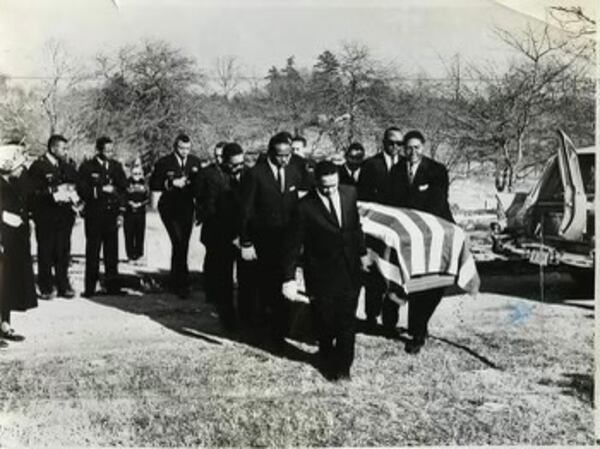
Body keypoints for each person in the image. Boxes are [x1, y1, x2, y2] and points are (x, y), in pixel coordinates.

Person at [282, 161, 369, 380]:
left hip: (350, 269)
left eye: (333, 185)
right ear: (316, 183)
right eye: (324, 187)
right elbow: (293, 245)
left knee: (347, 321)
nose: (330, 191)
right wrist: (289, 278)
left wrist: (362, 253)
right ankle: (326, 355)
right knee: (325, 320)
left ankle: (343, 368)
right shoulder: (304, 207)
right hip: (321, 274)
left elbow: (355, 226)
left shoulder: (349, 193)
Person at [389, 129, 454, 354]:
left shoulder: (437, 170)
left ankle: (420, 325)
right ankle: (417, 333)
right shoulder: (397, 170)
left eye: (416, 147)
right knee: (415, 283)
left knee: (437, 285)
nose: (412, 152)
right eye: (408, 148)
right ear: (403, 149)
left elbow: (437, 203)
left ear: (423, 147)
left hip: (435, 234)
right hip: (409, 236)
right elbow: (394, 201)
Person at [239, 131, 303, 349]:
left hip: (286, 243)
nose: (284, 159)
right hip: (261, 241)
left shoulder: (294, 172)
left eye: (288, 155)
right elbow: (245, 211)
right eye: (279, 155)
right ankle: (257, 334)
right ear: (270, 153)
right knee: (261, 289)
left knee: (284, 287)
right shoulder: (255, 174)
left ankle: (279, 335)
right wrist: (246, 242)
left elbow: (297, 208)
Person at [357, 127, 404, 332]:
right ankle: (370, 317)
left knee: (395, 273)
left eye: (399, 144)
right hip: (375, 229)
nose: (395, 147)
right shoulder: (370, 165)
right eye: (391, 143)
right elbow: (363, 198)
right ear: (384, 142)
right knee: (375, 274)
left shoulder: (405, 165)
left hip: (396, 232)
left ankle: (390, 320)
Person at [196, 143, 247, 330]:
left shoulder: (249, 175)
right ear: (224, 162)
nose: (237, 168)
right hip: (221, 235)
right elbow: (210, 211)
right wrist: (230, 235)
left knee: (245, 280)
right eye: (233, 164)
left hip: (243, 237)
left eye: (241, 163)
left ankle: (245, 317)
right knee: (223, 279)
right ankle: (228, 320)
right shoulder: (212, 177)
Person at [149, 133, 202, 298]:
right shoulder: (164, 163)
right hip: (170, 208)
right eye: (181, 148)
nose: (184, 151)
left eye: (187, 148)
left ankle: (178, 280)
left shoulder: (195, 162)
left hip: (187, 208)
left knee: (183, 244)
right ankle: (180, 283)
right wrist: (171, 183)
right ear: (175, 147)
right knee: (177, 241)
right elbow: (154, 184)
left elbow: (199, 185)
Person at [28, 134, 79, 299]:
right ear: (53, 148)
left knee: (63, 251)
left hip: (64, 215)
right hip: (46, 215)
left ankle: (63, 285)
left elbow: (74, 184)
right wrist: (53, 193)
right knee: (46, 251)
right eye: (63, 148)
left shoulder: (66, 165)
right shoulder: (38, 166)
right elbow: (33, 193)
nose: (66, 151)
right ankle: (46, 287)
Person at [77, 137, 127, 297]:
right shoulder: (87, 167)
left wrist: (121, 211)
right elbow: (82, 190)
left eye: (112, 150)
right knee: (93, 252)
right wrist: (100, 190)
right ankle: (90, 288)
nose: (110, 153)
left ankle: (112, 286)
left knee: (112, 252)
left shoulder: (116, 166)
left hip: (111, 215)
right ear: (98, 150)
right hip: (94, 215)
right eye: (107, 150)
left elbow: (123, 188)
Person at [0, 143, 38, 345]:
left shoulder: (13, 184)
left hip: (13, 240)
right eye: (19, 165)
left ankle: (4, 324)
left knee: (7, 283)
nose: (23, 169)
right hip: (2, 240)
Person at [123, 164, 149, 262]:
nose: (137, 175)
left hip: (140, 212)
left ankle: (139, 255)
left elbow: (148, 198)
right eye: (135, 173)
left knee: (140, 234)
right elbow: (123, 196)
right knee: (129, 234)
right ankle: (130, 255)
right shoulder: (126, 182)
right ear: (131, 173)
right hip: (129, 212)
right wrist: (130, 203)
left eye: (139, 173)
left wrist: (141, 204)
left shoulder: (145, 183)